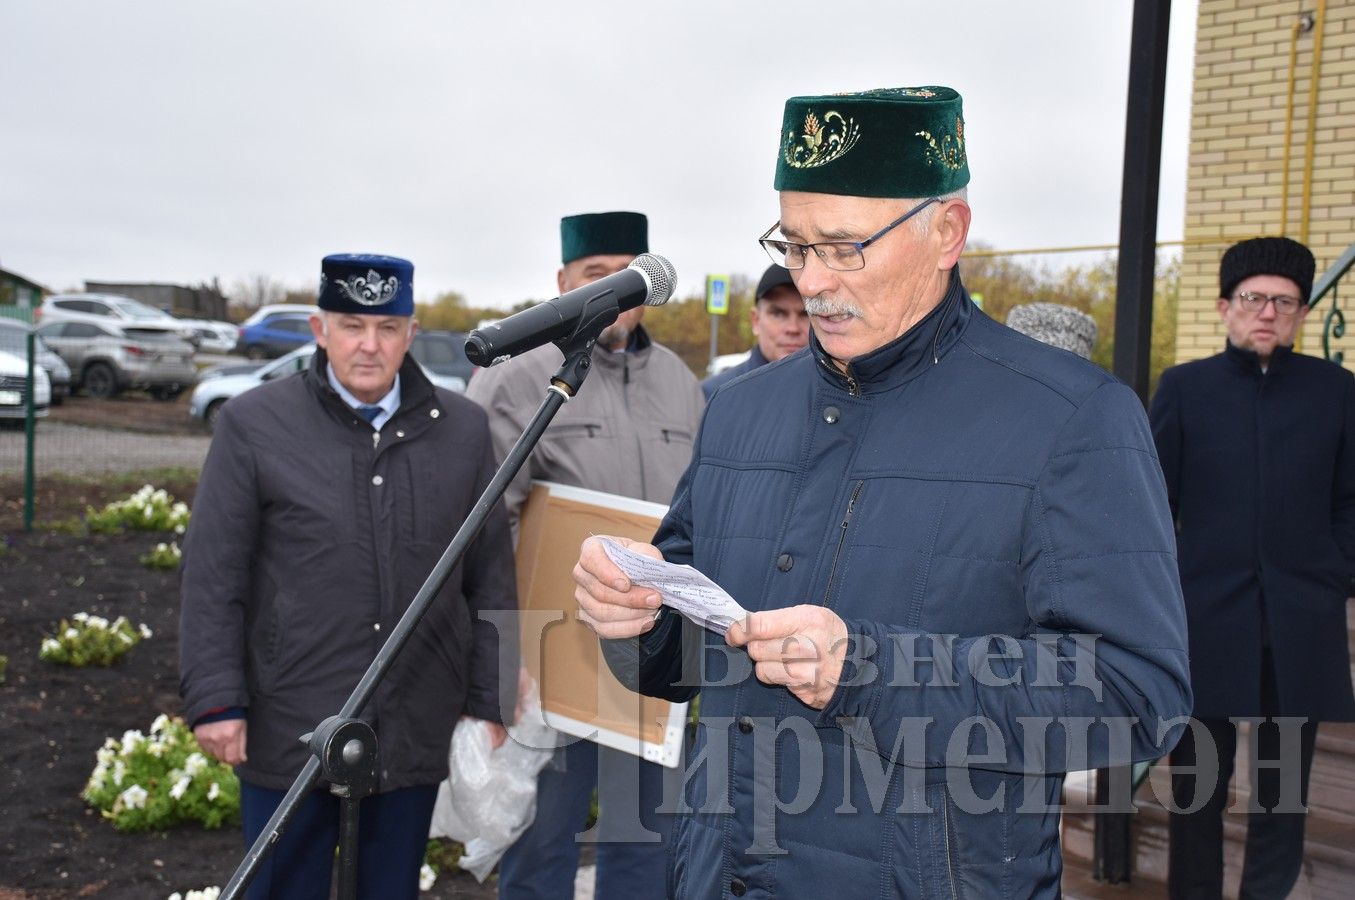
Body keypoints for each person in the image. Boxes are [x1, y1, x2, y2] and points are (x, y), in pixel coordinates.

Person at [572, 85, 1192, 898]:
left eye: (845, 246)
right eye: (792, 245)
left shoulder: (1071, 418)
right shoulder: (739, 410)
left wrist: (870, 670)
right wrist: (634, 618)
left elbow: (1134, 691)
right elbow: (694, 651)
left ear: (946, 231)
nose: (813, 283)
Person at [179, 253, 517, 900]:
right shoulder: (254, 425)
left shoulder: (464, 431)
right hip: (292, 721)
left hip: (411, 719)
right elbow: (213, 572)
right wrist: (217, 699)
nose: (369, 345)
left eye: (387, 328)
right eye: (351, 325)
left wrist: (488, 697)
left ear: (411, 334)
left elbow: (490, 572)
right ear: (318, 328)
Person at [465, 212, 704, 899]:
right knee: (543, 846)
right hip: (552, 656)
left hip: (655, 658)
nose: (614, 291)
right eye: (596, 276)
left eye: (628, 275)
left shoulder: (680, 384)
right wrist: (499, 654)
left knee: (648, 849)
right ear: (563, 282)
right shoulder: (518, 380)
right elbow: (483, 530)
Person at [1150, 236, 1355, 899]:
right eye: (1252, 299)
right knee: (1197, 793)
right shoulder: (1184, 388)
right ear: (1223, 307)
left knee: (1281, 797)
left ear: (1299, 313)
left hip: (1298, 622)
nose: (1266, 312)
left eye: (1283, 301)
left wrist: (1333, 575)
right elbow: (1156, 506)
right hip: (1205, 618)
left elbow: (1350, 499)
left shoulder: (1336, 392)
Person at [702, 263, 808, 399]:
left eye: (806, 314)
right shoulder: (714, 395)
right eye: (778, 314)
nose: (793, 328)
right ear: (756, 321)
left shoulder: (838, 393)